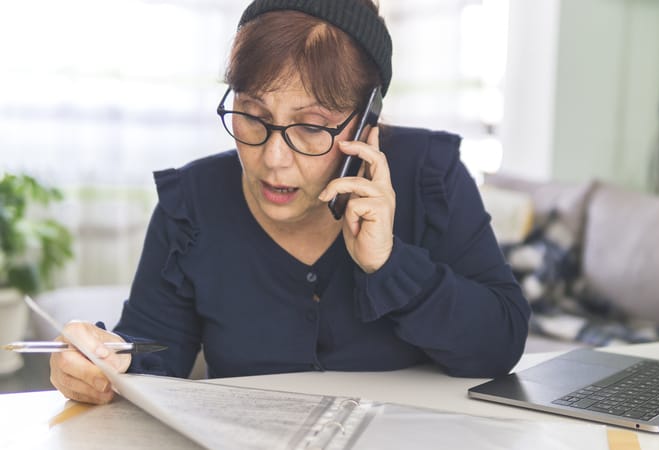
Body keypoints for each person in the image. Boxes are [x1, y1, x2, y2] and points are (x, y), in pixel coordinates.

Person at [49, 0, 531, 405]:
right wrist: (105, 364)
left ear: (366, 125)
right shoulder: (191, 202)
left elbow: (498, 347)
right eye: (252, 115)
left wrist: (390, 264)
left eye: (311, 127)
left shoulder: (431, 175)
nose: (272, 159)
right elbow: (154, 357)